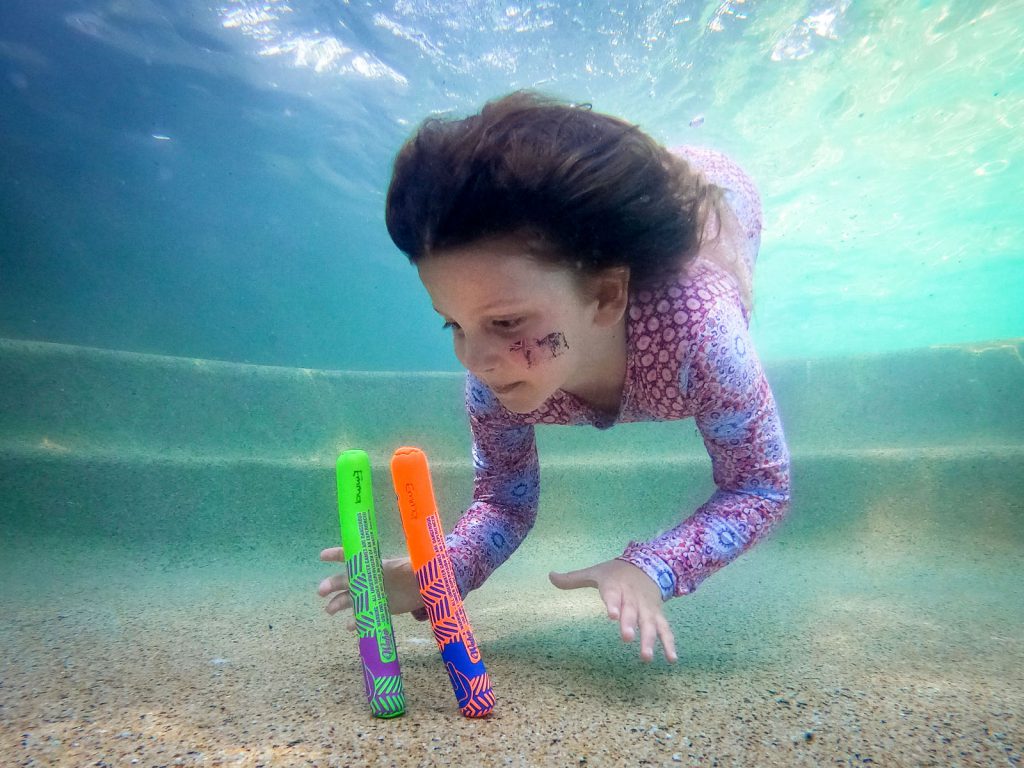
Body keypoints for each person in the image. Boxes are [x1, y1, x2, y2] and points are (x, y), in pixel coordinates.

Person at [319, 91, 790, 663]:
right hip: (609, 233)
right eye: (453, 326)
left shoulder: (704, 339)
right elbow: (503, 502)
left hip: (721, 205)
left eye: (507, 322)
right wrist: (434, 574)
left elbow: (759, 485)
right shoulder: (494, 382)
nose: (476, 359)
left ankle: (671, 177)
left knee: (695, 202)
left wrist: (655, 567)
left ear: (606, 296)